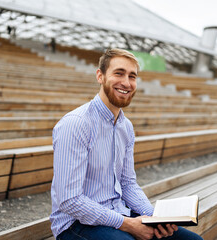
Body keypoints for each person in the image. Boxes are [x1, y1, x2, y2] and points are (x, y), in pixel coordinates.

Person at [50, 48, 203, 240]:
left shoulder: (125, 127)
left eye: (132, 76)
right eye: (119, 73)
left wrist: (156, 218)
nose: (126, 83)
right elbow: (69, 200)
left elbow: (128, 183)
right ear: (100, 76)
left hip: (119, 213)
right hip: (75, 224)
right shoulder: (76, 124)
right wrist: (128, 224)